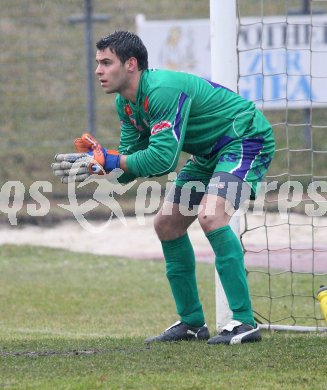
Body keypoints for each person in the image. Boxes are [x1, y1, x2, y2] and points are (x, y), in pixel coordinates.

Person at [52, 30, 275, 345]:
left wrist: (113, 160)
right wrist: (97, 167)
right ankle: (192, 324)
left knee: (211, 216)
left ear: (131, 64)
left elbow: (162, 160)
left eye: (106, 62)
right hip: (210, 153)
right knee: (167, 224)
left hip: (245, 139)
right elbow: (130, 166)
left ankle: (244, 322)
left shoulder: (161, 91)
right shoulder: (126, 105)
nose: (98, 70)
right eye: (98, 63)